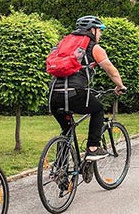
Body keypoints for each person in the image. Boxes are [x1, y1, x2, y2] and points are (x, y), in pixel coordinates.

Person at [49, 16, 126, 160]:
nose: (101, 34)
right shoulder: (94, 47)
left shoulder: (63, 44)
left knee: (66, 130)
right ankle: (93, 147)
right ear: (92, 30)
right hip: (74, 94)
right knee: (97, 109)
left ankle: (61, 171)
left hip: (54, 96)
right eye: (100, 30)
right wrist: (120, 86)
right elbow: (111, 70)